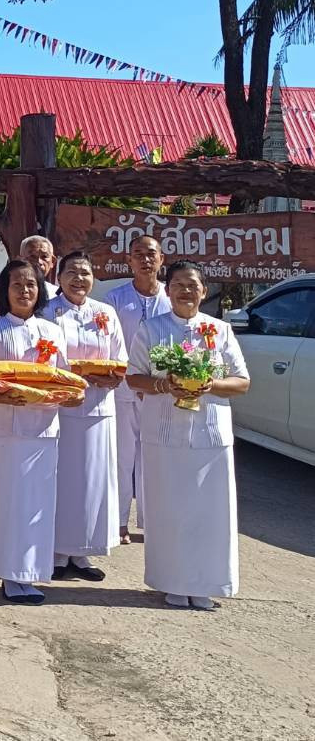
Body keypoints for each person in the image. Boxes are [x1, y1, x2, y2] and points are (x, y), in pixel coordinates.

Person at [126, 259, 250, 610]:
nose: (185, 291)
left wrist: (211, 385)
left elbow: (242, 381)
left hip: (210, 437)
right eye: (178, 284)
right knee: (169, 511)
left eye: (192, 285)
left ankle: (205, 583)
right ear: (167, 291)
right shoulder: (152, 329)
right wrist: (163, 385)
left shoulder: (220, 330)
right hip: (164, 434)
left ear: (204, 292)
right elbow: (133, 377)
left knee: (210, 514)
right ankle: (173, 583)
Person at [0, 258, 74, 604]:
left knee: (37, 504)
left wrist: (65, 396)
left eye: (31, 284)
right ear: (4, 290)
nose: (24, 290)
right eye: (16, 284)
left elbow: (65, 378)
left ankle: (31, 573)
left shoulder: (53, 332)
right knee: (7, 502)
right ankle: (7, 572)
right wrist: (3, 396)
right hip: (5, 430)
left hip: (43, 430)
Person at [41, 251, 126, 582]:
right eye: (72, 273)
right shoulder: (47, 311)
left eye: (85, 273)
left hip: (98, 409)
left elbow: (120, 358)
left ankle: (83, 552)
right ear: (59, 278)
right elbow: (42, 359)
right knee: (62, 479)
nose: (79, 279)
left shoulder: (106, 313)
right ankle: (57, 552)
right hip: (62, 408)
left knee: (93, 481)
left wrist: (112, 377)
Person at [105, 235, 169, 543]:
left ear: (161, 259)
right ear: (129, 260)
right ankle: (119, 522)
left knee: (154, 457)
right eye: (138, 254)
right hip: (122, 389)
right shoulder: (115, 299)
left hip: (160, 391)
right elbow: (108, 343)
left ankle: (152, 521)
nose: (145, 259)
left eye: (151, 254)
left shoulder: (171, 298)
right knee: (122, 457)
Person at [0, 235, 57, 322]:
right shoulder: (6, 290)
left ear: (53, 261)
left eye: (44, 256)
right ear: (20, 259)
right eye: (32, 256)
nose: (39, 262)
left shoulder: (58, 293)